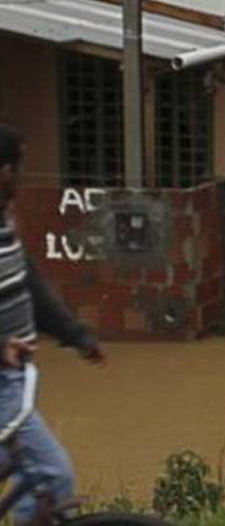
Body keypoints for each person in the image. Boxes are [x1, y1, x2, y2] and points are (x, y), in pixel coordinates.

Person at [0, 124, 105, 525]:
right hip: (4, 385)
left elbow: (31, 286)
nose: (18, 177)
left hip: (15, 382)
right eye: (14, 167)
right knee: (54, 475)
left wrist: (76, 335)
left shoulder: (4, 226)